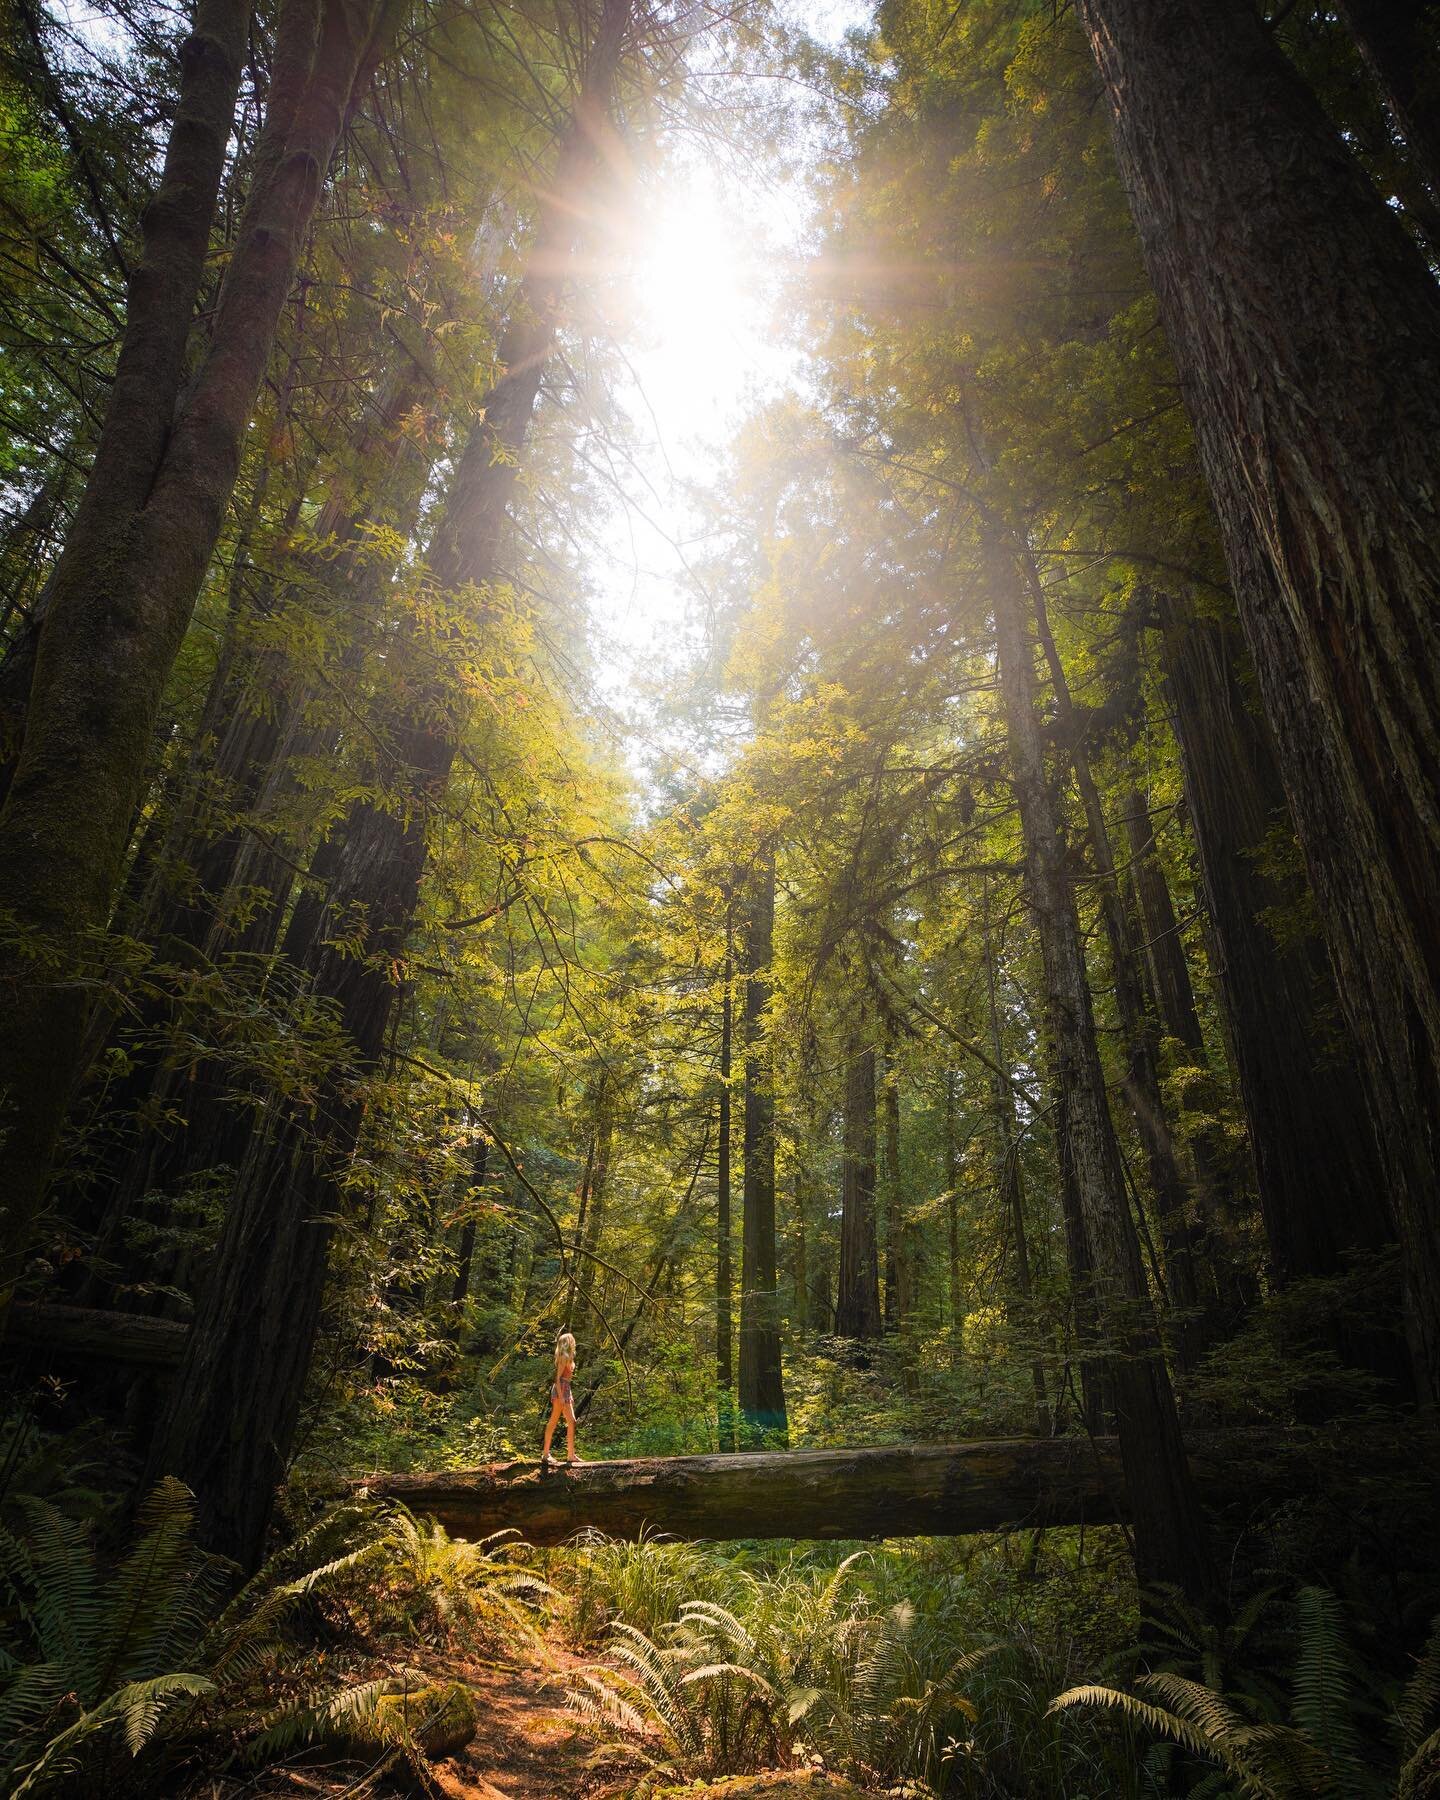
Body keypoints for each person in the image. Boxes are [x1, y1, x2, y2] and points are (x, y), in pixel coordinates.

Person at [540, 1330, 579, 1466]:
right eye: (572, 1340)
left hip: (566, 1388)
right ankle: (546, 1454)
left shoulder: (568, 1357)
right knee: (555, 1421)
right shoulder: (563, 1357)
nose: (574, 1342)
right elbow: (557, 1379)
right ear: (567, 1343)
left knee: (570, 1421)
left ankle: (570, 1455)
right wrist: (562, 1397)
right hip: (560, 1389)